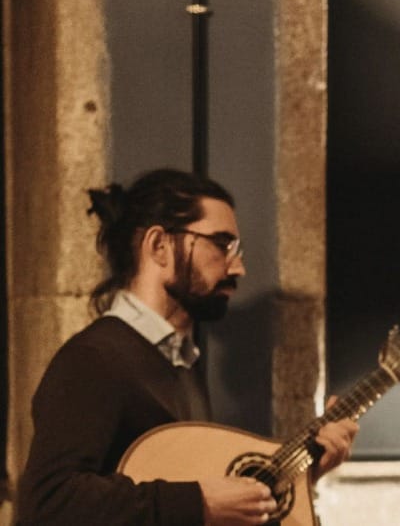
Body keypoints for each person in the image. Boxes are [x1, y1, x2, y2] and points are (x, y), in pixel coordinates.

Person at [17, 169, 359, 525]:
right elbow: (47, 503)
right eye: (222, 245)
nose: (238, 267)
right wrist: (198, 501)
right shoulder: (94, 359)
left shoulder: (182, 363)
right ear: (159, 246)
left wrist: (302, 473)